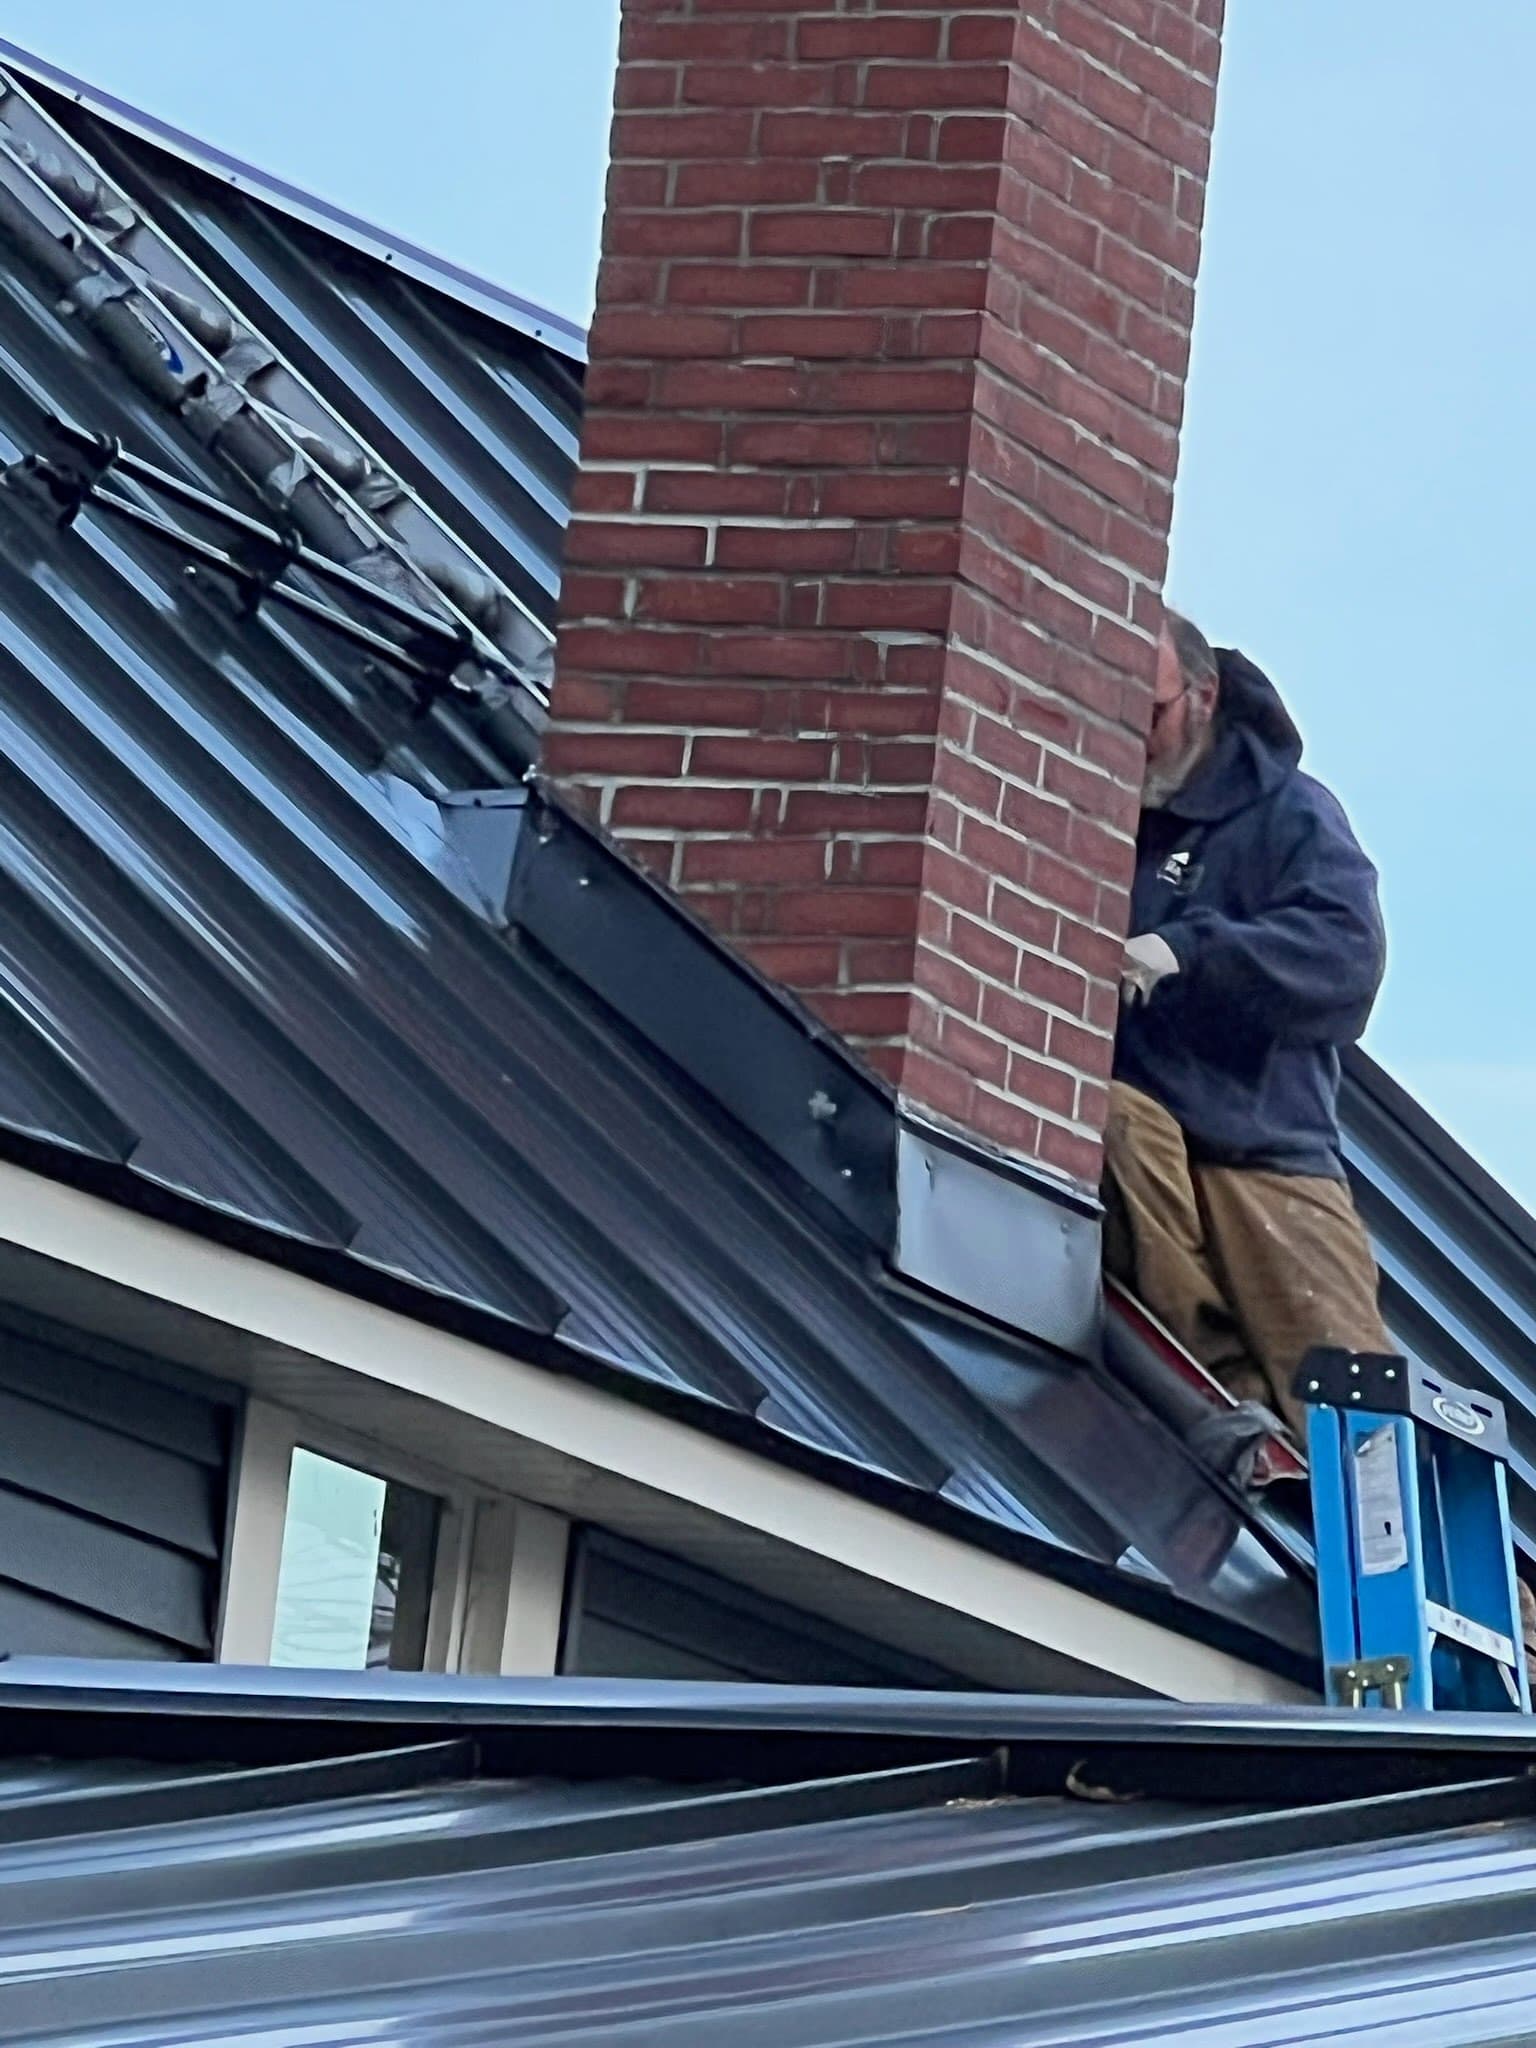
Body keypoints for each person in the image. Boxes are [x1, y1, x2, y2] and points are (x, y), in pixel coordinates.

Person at [1103, 611, 1390, 1440]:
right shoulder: (1099, 814)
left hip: (1265, 1154)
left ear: (1203, 696)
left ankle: (1376, 1509)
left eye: (1150, 714)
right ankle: (1238, 1417)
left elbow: (1346, 956)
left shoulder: (1289, 815)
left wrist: (1190, 954)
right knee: (1111, 1124)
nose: (1132, 740)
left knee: (1358, 1417)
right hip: (1151, 1132)